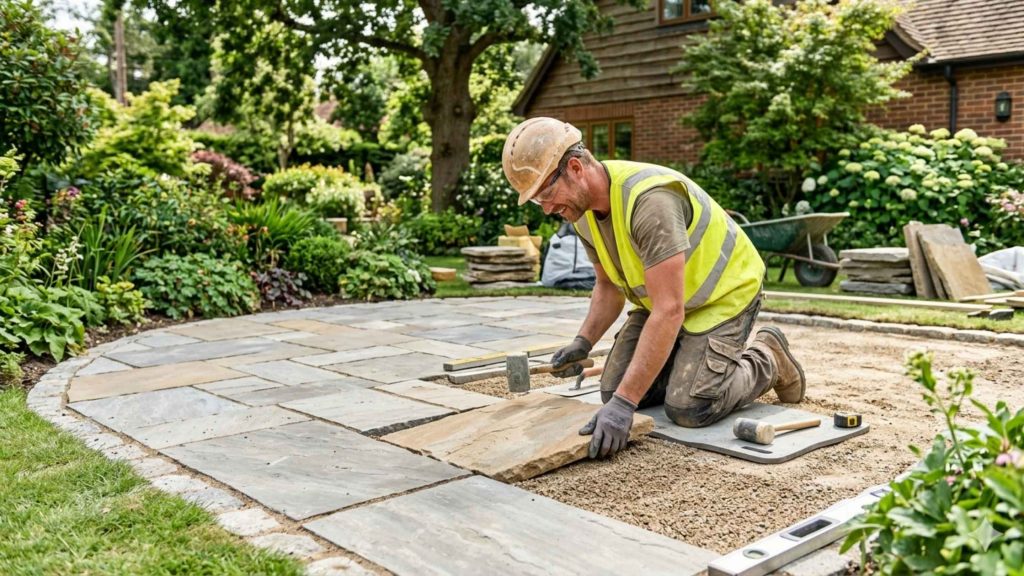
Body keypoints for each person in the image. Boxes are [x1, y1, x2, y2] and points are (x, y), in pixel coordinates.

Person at [501, 117, 806, 460]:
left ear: (574, 168)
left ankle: (768, 356)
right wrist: (582, 341)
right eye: (535, 200)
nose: (546, 208)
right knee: (612, 390)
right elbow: (607, 285)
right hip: (667, 301)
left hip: (722, 296)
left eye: (546, 193)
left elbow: (669, 311)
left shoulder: (650, 201)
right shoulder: (582, 211)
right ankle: (687, 359)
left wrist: (625, 405)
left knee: (689, 407)